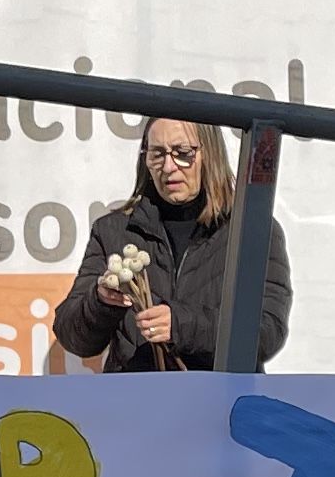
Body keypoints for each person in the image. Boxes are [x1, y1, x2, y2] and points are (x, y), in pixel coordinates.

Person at [48, 116, 292, 372]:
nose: (168, 166)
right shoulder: (113, 230)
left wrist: (180, 324)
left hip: (220, 403)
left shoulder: (251, 230)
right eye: (157, 154)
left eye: (182, 153)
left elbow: (267, 331)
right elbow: (72, 336)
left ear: (210, 155)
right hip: (138, 403)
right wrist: (100, 302)